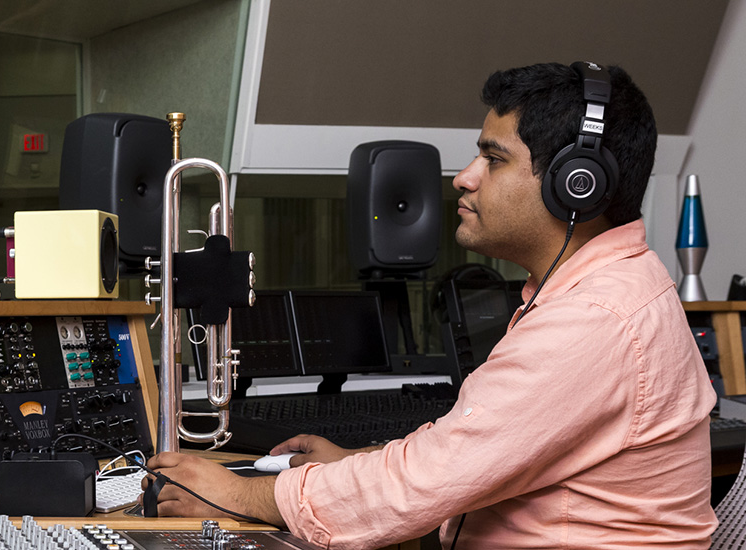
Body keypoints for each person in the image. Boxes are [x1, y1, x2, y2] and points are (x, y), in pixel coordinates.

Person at [146, 62, 718, 548]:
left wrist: (241, 492)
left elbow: (422, 484)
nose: (463, 180)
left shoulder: (595, 320)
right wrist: (355, 466)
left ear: (577, 185)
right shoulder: (608, 290)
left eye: (493, 160)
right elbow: (467, 458)